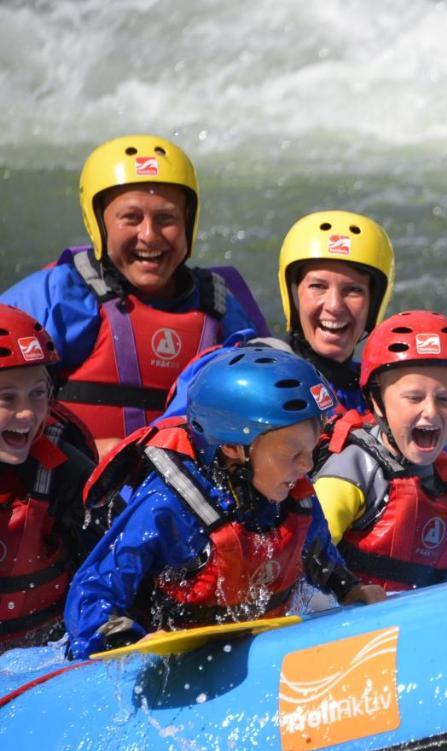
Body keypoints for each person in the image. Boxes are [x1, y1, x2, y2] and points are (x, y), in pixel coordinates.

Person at [64, 346, 385, 660]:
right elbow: (93, 590)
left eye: (311, 452)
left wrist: (349, 588)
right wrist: (129, 645)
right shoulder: (168, 507)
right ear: (234, 448)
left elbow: (317, 554)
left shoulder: (292, 496)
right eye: (293, 454)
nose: (306, 467)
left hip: (249, 647)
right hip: (167, 663)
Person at [0, 134, 266, 459]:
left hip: (183, 498)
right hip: (72, 490)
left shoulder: (221, 307)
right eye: (131, 218)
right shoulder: (58, 295)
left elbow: (273, 407)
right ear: (99, 224)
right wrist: (85, 452)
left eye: (166, 218)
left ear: (188, 223)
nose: (149, 235)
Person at [313, 311, 447, 589]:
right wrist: (347, 590)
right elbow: (305, 556)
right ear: (377, 402)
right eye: (414, 398)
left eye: (445, 399)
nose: (430, 412)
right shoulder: (351, 473)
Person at [0, 307, 98, 651]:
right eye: (7, 398)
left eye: (38, 393)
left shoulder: (64, 471)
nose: (27, 413)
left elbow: (111, 566)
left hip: (45, 659)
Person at [276, 210, 396, 413]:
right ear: (294, 296)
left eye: (353, 290)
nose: (334, 306)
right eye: (318, 286)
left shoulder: (380, 393)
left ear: (373, 303)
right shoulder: (266, 381)